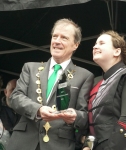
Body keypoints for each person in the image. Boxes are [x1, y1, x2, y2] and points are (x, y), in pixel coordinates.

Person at [6, 18, 94, 150]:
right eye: (55, 36)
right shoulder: (30, 68)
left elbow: (84, 115)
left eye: (64, 38)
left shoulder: (85, 76)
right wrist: (38, 110)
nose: (57, 41)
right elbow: (15, 97)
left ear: (75, 45)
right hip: (23, 142)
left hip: (58, 144)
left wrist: (75, 116)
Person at [83, 30, 126, 150]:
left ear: (117, 51)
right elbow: (95, 126)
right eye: (95, 44)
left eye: (101, 43)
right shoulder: (98, 84)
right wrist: (87, 146)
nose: (95, 46)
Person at [0, 79, 20, 149]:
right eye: (12, 90)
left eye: (19, 91)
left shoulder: (26, 111)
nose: (16, 93)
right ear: (5, 92)